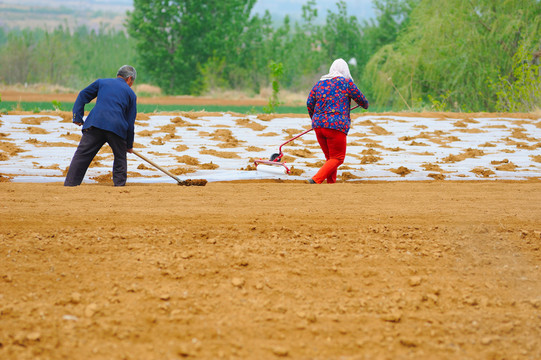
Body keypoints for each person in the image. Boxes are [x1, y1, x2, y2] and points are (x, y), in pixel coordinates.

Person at [64, 65, 138, 187]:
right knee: (120, 157)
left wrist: (77, 117)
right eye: (132, 82)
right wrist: (129, 145)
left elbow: (83, 95)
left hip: (95, 123)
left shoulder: (102, 82)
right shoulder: (131, 94)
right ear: (129, 78)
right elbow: (130, 123)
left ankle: (70, 183)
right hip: (117, 127)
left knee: (82, 155)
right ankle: (119, 185)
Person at [306, 58, 369, 184]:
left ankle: (331, 183)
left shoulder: (319, 84)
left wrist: (315, 120)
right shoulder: (346, 83)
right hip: (336, 126)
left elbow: (309, 103)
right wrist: (363, 104)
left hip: (318, 125)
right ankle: (316, 179)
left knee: (330, 158)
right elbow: (363, 101)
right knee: (338, 158)